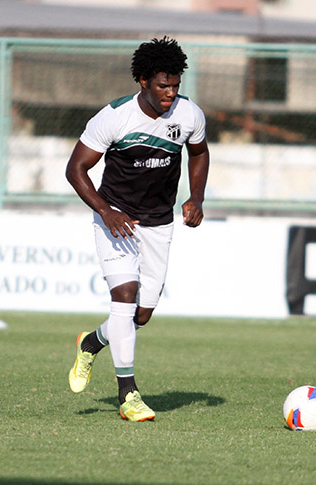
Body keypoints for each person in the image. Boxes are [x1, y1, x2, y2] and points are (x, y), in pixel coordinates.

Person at [65, 36, 209, 421]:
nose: (170, 93)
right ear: (142, 81)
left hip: (159, 223)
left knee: (139, 317)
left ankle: (92, 342)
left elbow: (199, 152)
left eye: (176, 86)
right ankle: (128, 394)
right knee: (124, 296)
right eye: (163, 85)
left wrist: (196, 197)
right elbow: (75, 169)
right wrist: (105, 211)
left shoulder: (189, 114)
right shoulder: (113, 118)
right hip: (117, 218)